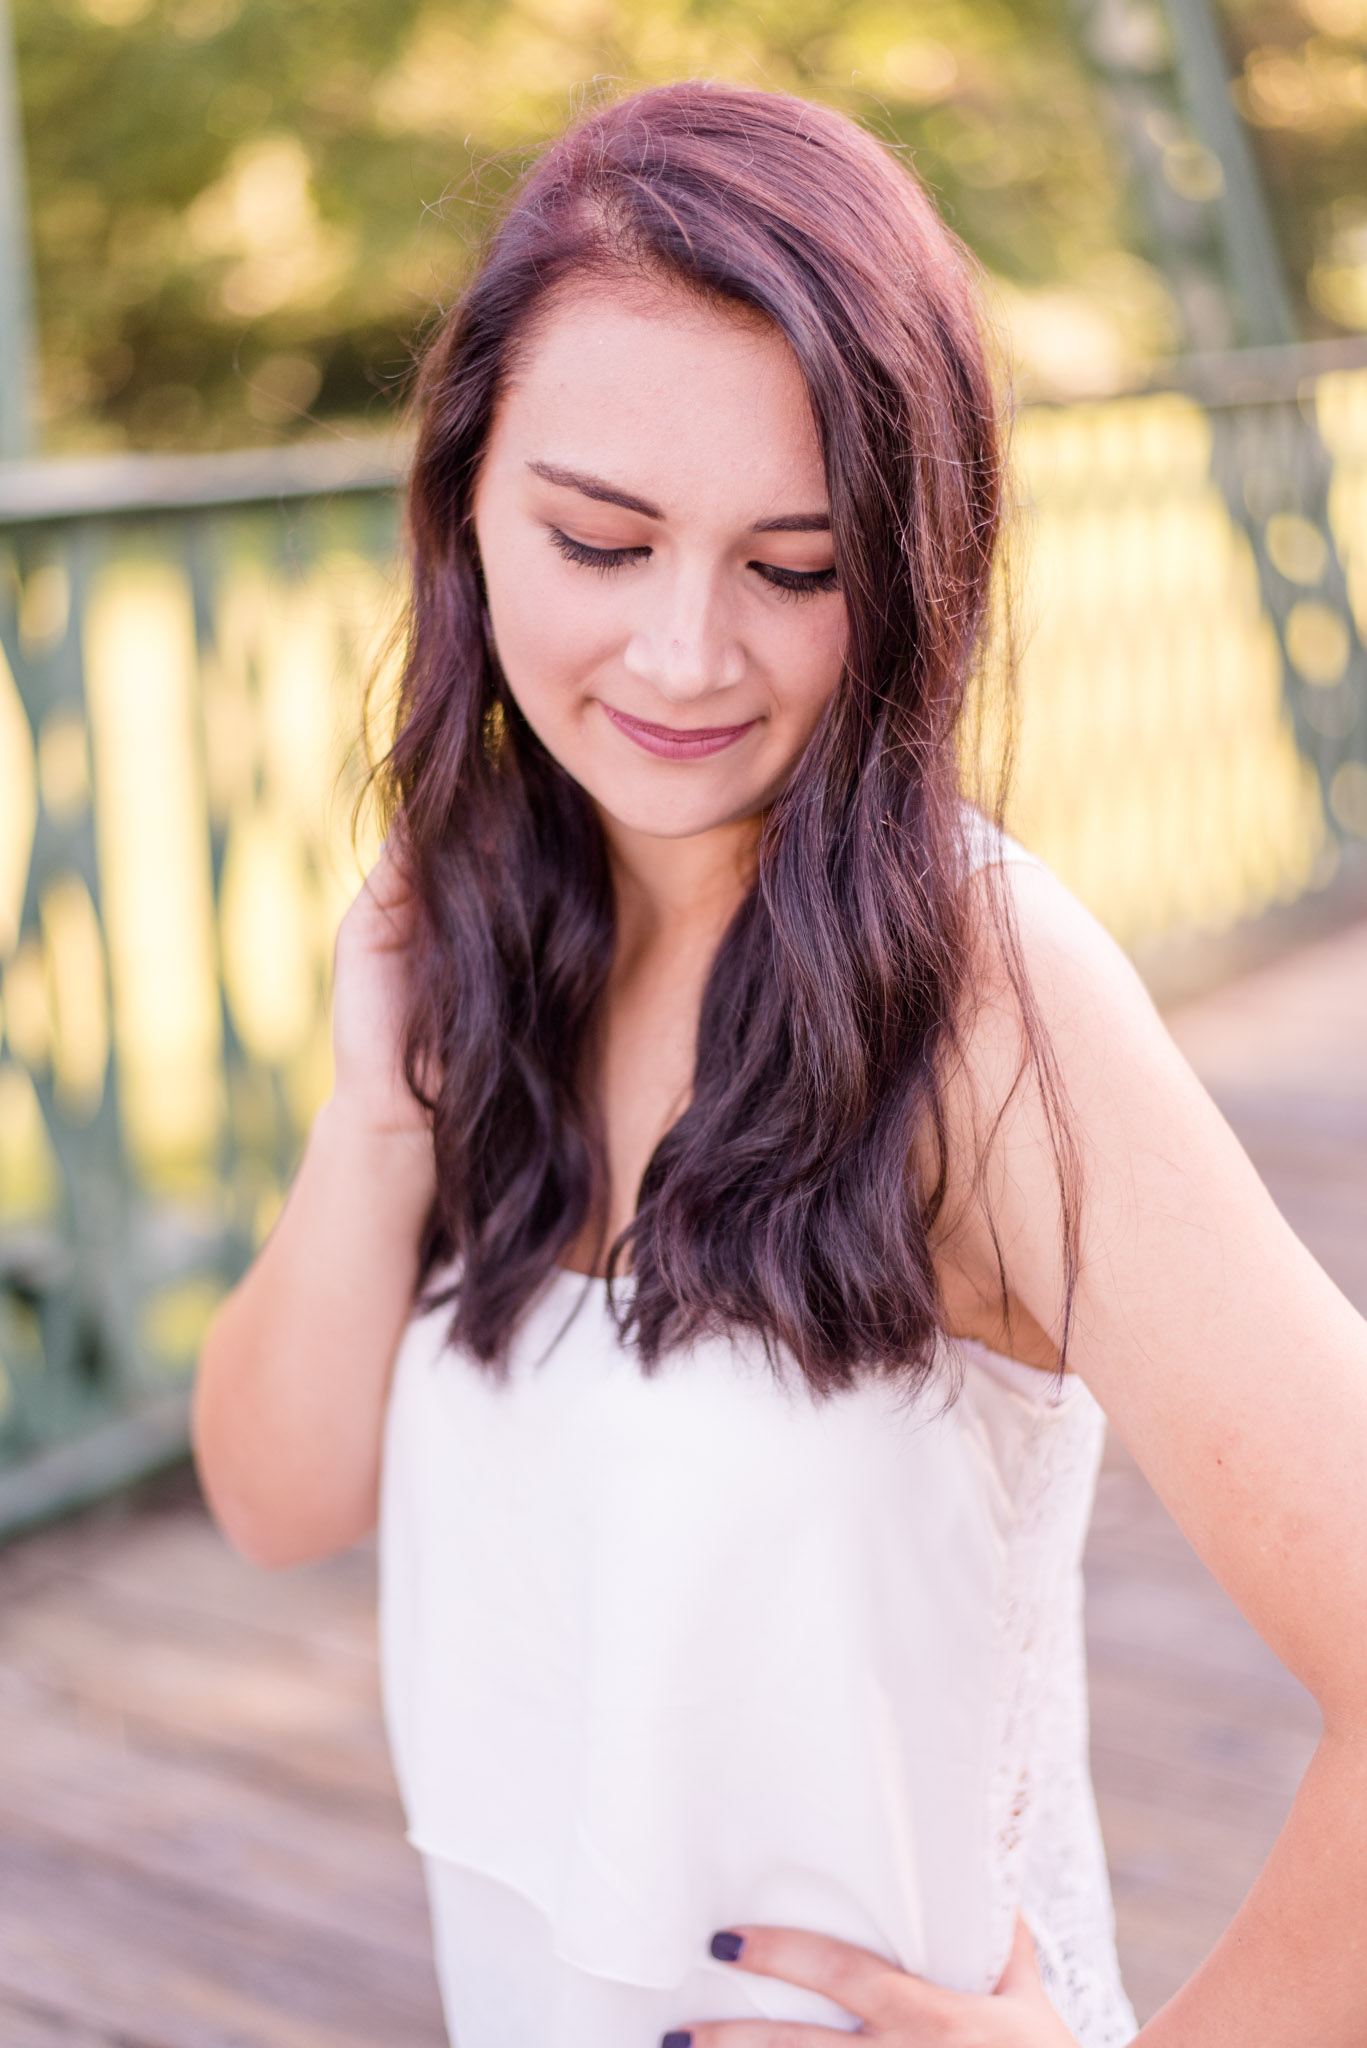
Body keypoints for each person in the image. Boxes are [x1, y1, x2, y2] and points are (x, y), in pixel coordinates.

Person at [193, 80, 1367, 2048]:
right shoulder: (497, 914)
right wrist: (375, 1110)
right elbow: (279, 1494)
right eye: (601, 536)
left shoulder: (981, 994)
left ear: (907, 573)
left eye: (793, 569)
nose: (679, 656)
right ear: (467, 500)